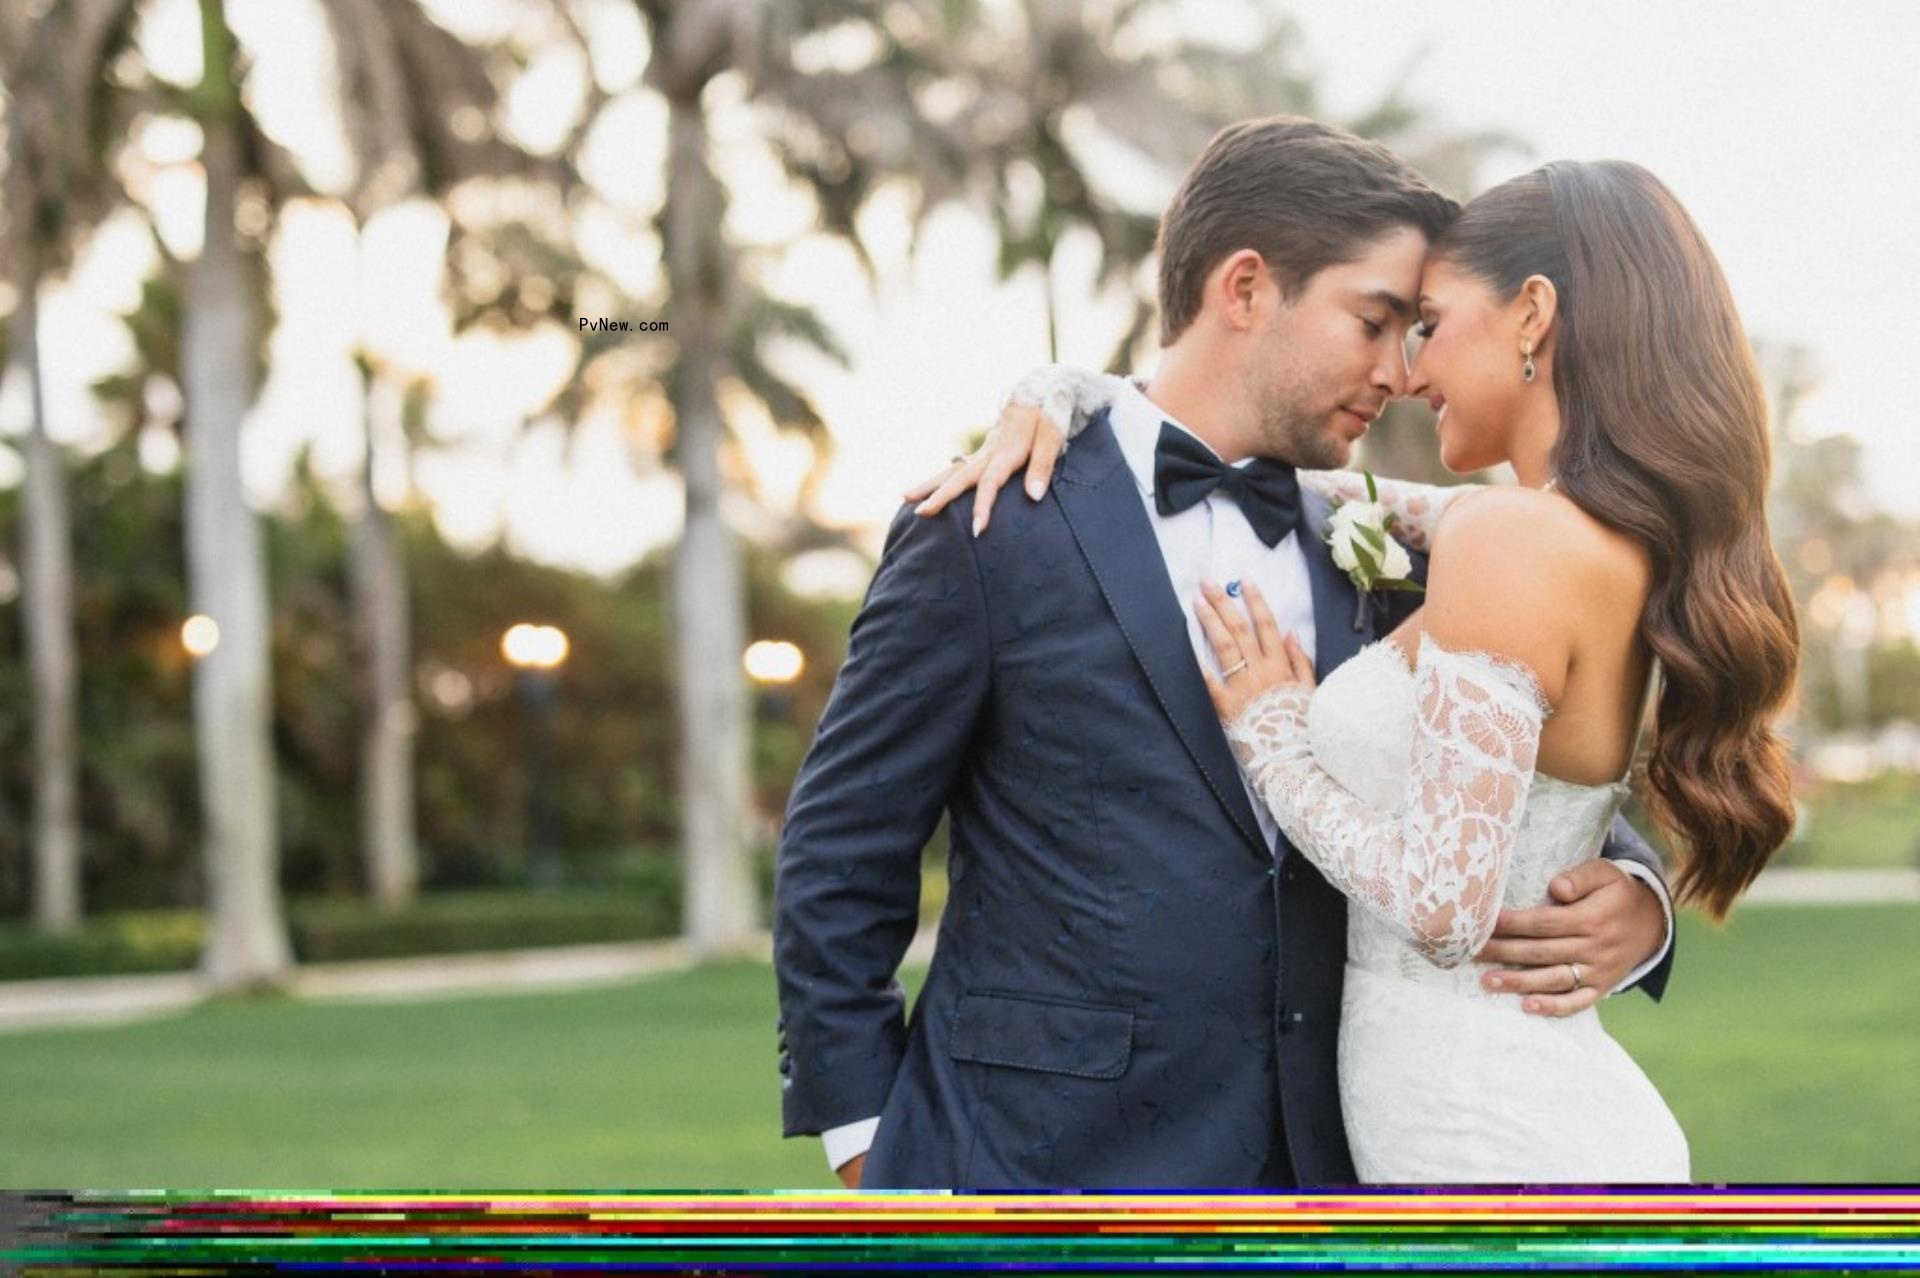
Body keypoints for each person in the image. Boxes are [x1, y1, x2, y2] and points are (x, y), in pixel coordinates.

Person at [774, 117, 1682, 1190]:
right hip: (1039, 1170)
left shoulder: (1392, 547)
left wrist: (1638, 898)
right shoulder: (988, 529)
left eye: (1419, 329)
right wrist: (866, 1136)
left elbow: (1516, 779)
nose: (1403, 369)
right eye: (1377, 320)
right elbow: (841, 847)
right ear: (1246, 290)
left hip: (1335, 1173)